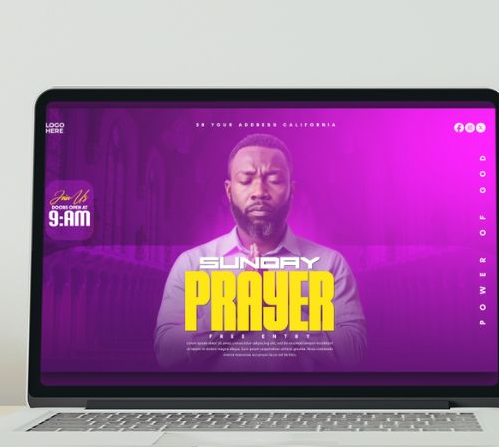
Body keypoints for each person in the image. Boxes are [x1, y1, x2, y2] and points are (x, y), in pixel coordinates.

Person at [154, 133, 366, 370]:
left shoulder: (329, 265)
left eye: (274, 180)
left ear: (291, 190)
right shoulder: (192, 264)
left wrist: (279, 309)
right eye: (246, 180)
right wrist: (237, 310)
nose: (259, 192)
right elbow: (167, 354)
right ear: (228, 190)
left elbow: (354, 353)